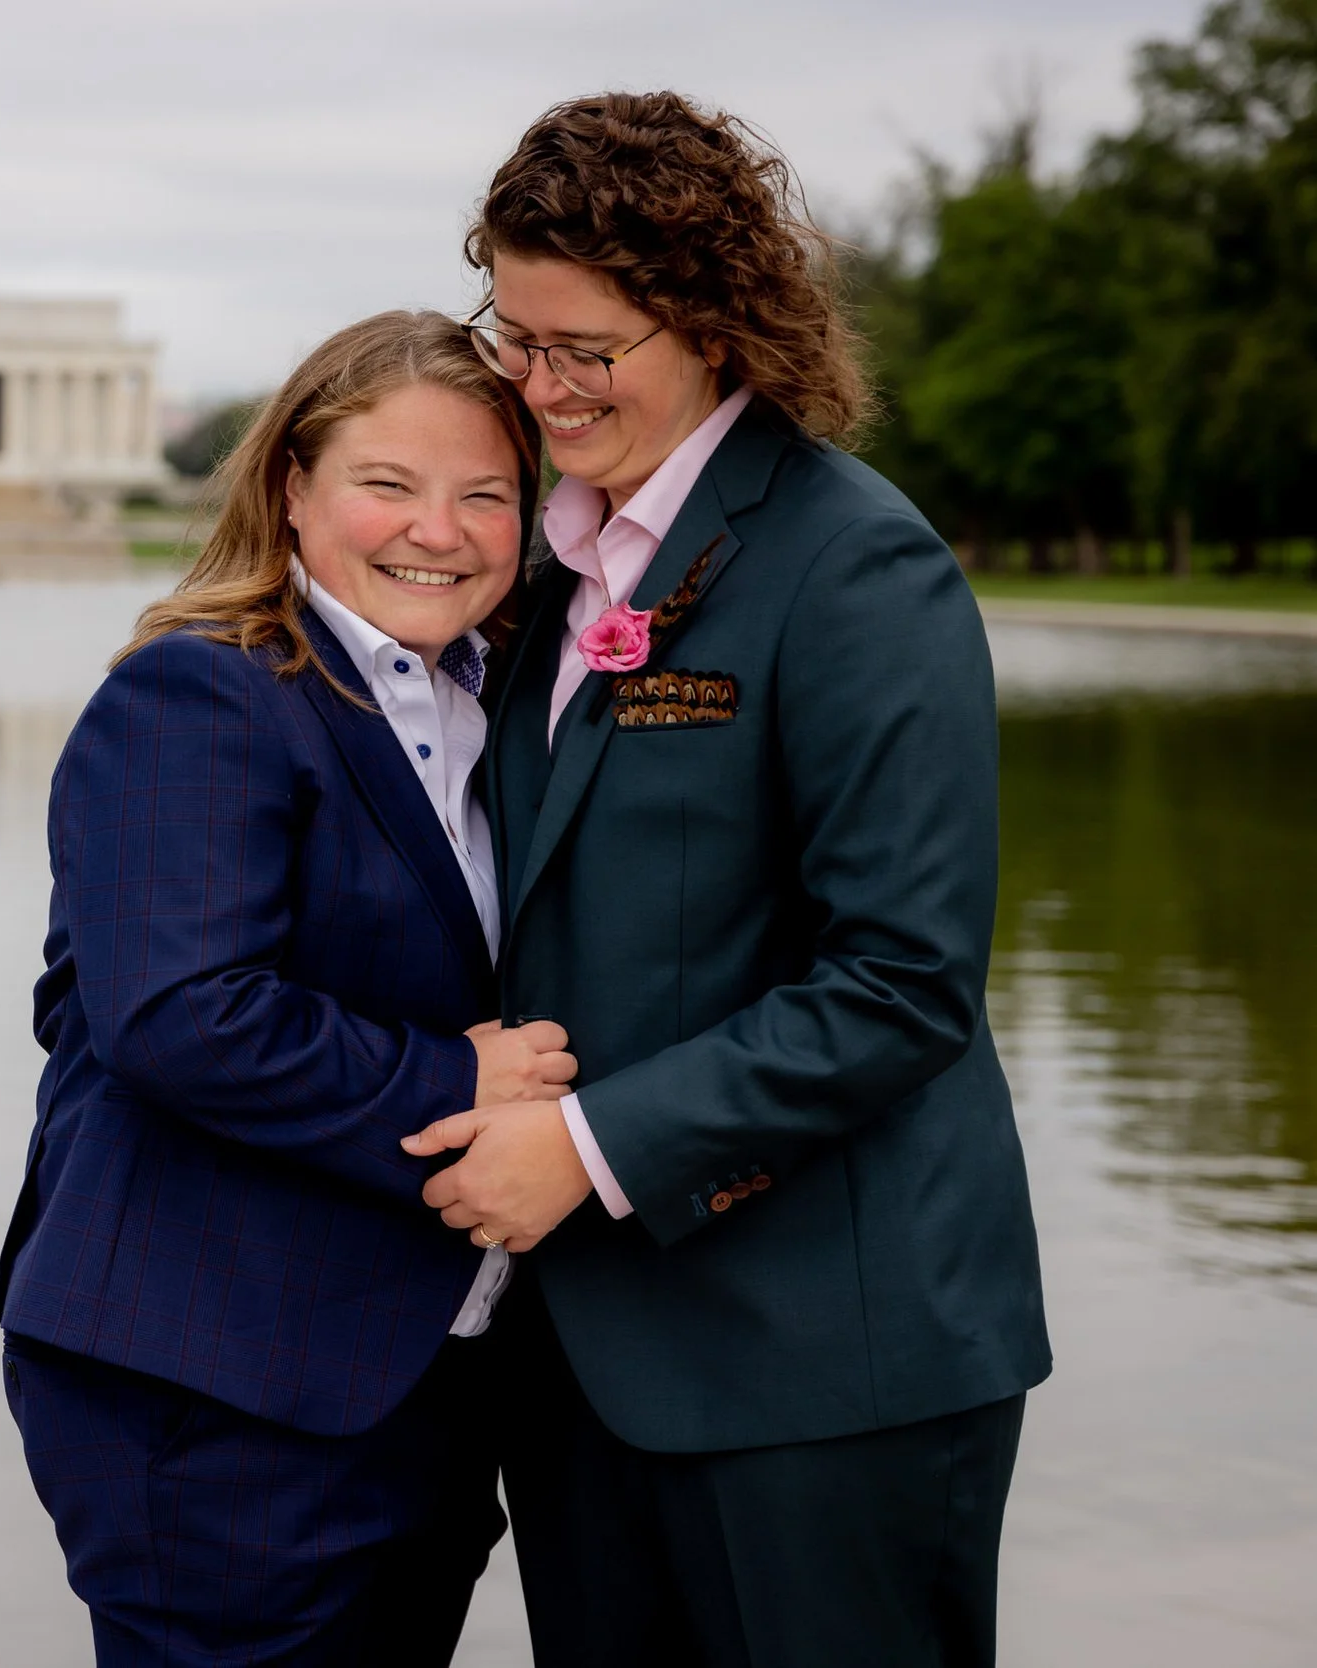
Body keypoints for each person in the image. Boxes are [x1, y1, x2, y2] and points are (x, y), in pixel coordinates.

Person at [401, 91, 1052, 1667]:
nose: (540, 389)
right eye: (516, 335)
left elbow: (900, 986)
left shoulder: (854, 569)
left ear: (709, 320)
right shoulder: (549, 568)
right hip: (587, 1369)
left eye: (586, 350)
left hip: (825, 1373)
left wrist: (587, 1148)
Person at [0, 310, 574, 1666]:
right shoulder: (203, 694)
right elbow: (174, 1015)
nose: (438, 528)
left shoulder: (494, 699)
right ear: (293, 489)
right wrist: (456, 1080)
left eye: (485, 494)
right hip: (214, 1390)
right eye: (388, 484)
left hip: (414, 1379)